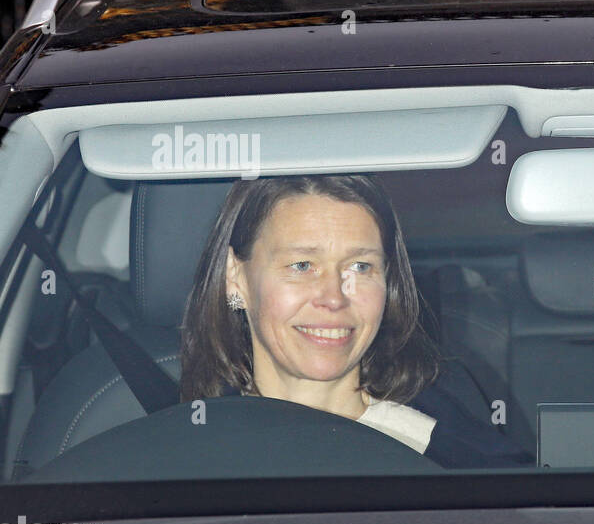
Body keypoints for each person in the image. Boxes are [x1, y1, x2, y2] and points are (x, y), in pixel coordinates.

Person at [180, 174, 531, 468]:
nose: (334, 297)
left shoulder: (455, 463)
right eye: (302, 265)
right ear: (234, 276)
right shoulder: (176, 457)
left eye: (360, 267)